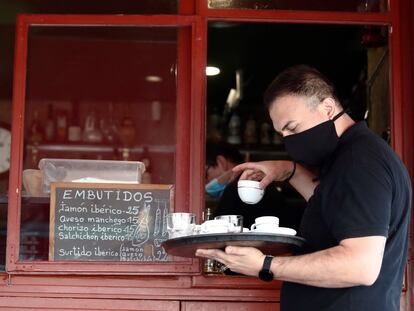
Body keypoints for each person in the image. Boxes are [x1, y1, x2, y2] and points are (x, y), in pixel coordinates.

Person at [197, 65, 412, 311]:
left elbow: (360, 265)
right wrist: (289, 170)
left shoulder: (359, 162)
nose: (289, 140)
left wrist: (265, 265)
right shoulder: (349, 157)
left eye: (292, 127)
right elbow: (334, 208)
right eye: (282, 133)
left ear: (328, 108)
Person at [205, 141, 302, 229]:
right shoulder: (258, 182)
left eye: (205, 174)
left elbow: (219, 234)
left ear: (221, 162)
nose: (205, 182)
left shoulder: (238, 188)